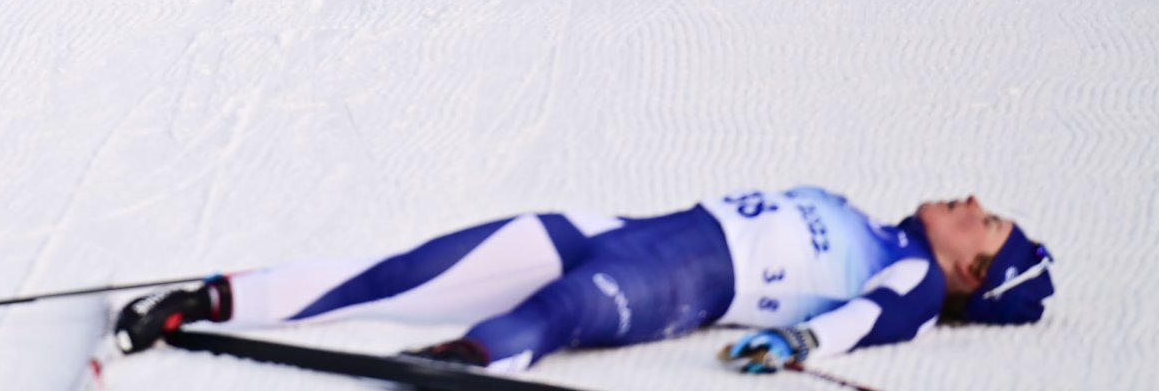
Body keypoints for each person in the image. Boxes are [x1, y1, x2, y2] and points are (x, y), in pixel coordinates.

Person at [112, 187, 1053, 375]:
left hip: (685, 281)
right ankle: (212, 297)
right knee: (408, 270)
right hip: (615, 232)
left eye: (989, 220)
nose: (973, 198)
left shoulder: (917, 286)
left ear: (972, 268)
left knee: (554, 316)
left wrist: (805, 342)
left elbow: (876, 316)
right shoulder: (870, 219)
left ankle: (466, 365)